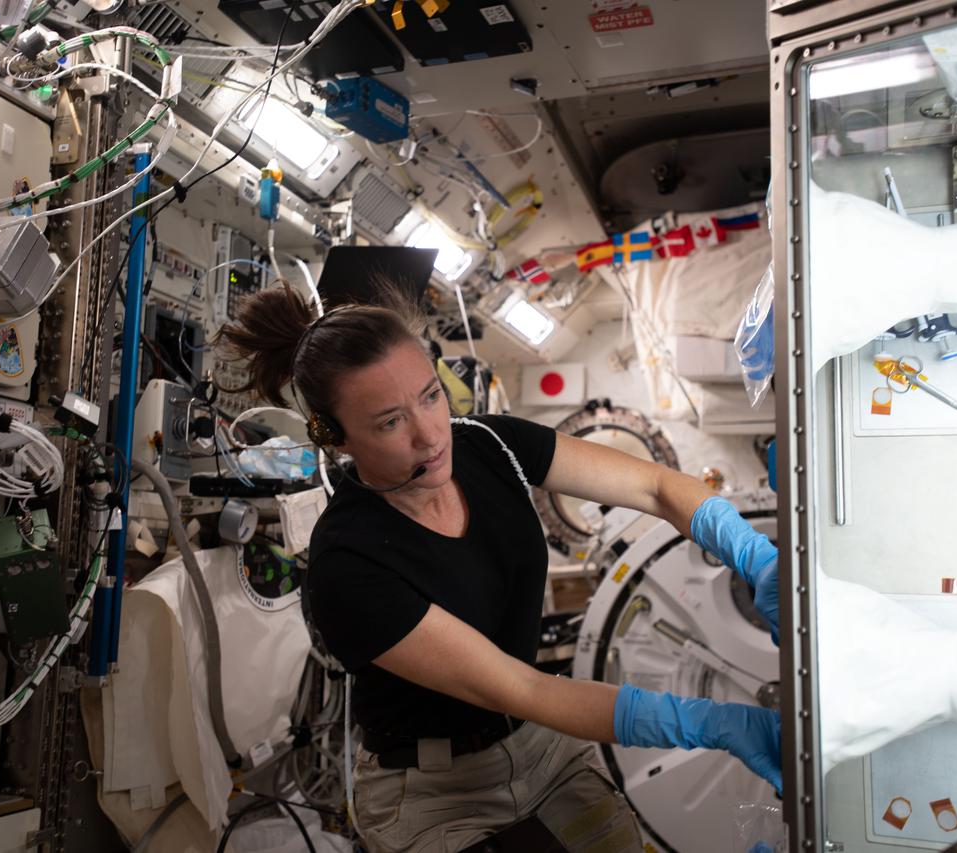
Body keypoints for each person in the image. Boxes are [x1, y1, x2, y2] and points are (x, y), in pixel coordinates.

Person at [221, 282, 781, 853]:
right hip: (431, 792)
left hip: (542, 746)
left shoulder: (492, 445)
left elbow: (656, 485)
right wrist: (713, 725)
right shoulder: (348, 562)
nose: (431, 435)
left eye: (431, 396)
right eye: (390, 422)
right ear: (334, 438)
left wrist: (753, 555)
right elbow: (525, 688)